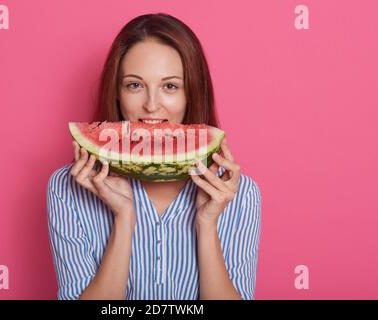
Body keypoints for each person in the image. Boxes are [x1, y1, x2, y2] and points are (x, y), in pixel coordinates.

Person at [46, 13, 261, 300]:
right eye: (135, 85)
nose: (151, 105)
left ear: (192, 93)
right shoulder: (67, 188)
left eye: (170, 86)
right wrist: (124, 218)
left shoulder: (238, 194)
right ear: (118, 93)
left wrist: (207, 225)